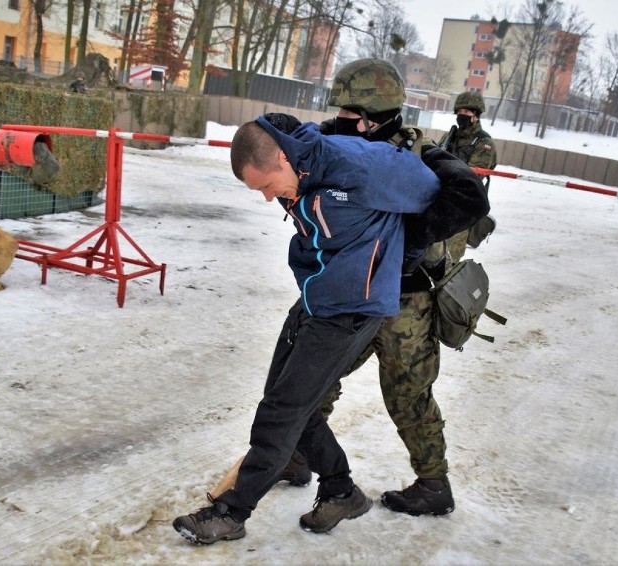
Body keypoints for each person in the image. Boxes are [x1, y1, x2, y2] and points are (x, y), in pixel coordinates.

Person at [172, 113, 442, 545]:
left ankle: (230, 513)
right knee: (295, 402)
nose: (266, 199)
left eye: (265, 186)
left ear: (281, 156)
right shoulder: (299, 169)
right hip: (318, 298)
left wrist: (401, 258)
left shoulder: (356, 166)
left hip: (353, 307)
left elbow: (430, 192)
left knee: (281, 411)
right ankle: (341, 491)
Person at [277, 59, 490, 517]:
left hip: (406, 303)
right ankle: (295, 457)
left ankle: (434, 485)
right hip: (351, 295)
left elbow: (471, 196)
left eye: (350, 113)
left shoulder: (420, 154)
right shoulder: (339, 139)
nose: (341, 120)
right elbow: (301, 146)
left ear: (376, 115)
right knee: (316, 379)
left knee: (409, 396)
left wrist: (408, 239)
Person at [438, 90, 498, 260]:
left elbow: (473, 176)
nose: (461, 116)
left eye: (466, 112)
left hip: (462, 206)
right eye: (459, 112)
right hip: (439, 200)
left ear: (476, 115)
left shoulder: (483, 143)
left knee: (450, 256)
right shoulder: (449, 137)